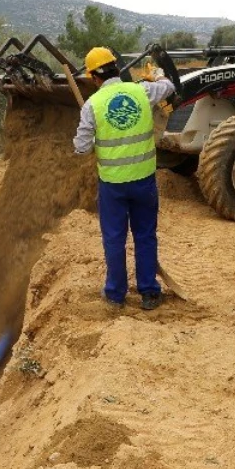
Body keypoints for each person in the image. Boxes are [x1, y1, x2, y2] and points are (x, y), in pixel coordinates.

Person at [73, 46, 176, 310]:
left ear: (94, 77)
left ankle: (116, 295)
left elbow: (81, 147)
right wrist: (159, 74)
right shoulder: (142, 91)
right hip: (144, 181)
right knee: (145, 235)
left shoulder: (92, 106)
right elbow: (168, 87)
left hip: (113, 187)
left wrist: (98, 138)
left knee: (114, 239)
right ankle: (150, 292)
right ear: (117, 69)